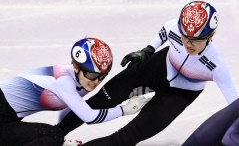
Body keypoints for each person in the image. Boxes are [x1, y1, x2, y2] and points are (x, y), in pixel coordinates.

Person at [57, 1, 239, 146]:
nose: (188, 43)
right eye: (184, 37)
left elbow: (234, 105)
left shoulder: (215, 63)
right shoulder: (174, 27)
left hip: (179, 95)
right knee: (99, 102)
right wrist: (148, 50)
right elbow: (163, 33)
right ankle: (52, 137)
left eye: (195, 40)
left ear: (210, 36)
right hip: (157, 68)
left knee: (128, 137)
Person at [0, 37, 150, 146]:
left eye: (102, 76)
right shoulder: (64, 81)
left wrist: (60, 137)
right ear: (76, 66)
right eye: (92, 74)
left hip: (7, 119)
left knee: (53, 136)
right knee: (52, 135)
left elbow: (69, 108)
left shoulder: (81, 79)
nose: (96, 81)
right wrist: (125, 110)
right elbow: (89, 117)